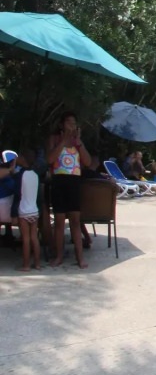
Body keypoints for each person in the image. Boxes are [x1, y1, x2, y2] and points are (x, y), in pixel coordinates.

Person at [46, 111, 91, 268]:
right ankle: (59, 256)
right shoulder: (54, 139)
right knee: (59, 222)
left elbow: (87, 162)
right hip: (59, 182)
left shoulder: (78, 142)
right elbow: (49, 159)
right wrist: (63, 141)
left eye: (74, 123)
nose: (72, 125)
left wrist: (78, 143)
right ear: (62, 125)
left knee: (75, 221)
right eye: (68, 122)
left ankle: (80, 258)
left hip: (74, 183)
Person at [15, 150, 40, 271]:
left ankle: (26, 265)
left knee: (26, 239)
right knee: (34, 238)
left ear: (23, 159)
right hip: (34, 210)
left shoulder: (20, 175)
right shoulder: (35, 175)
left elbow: (17, 195)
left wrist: (13, 213)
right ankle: (37, 264)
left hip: (23, 211)